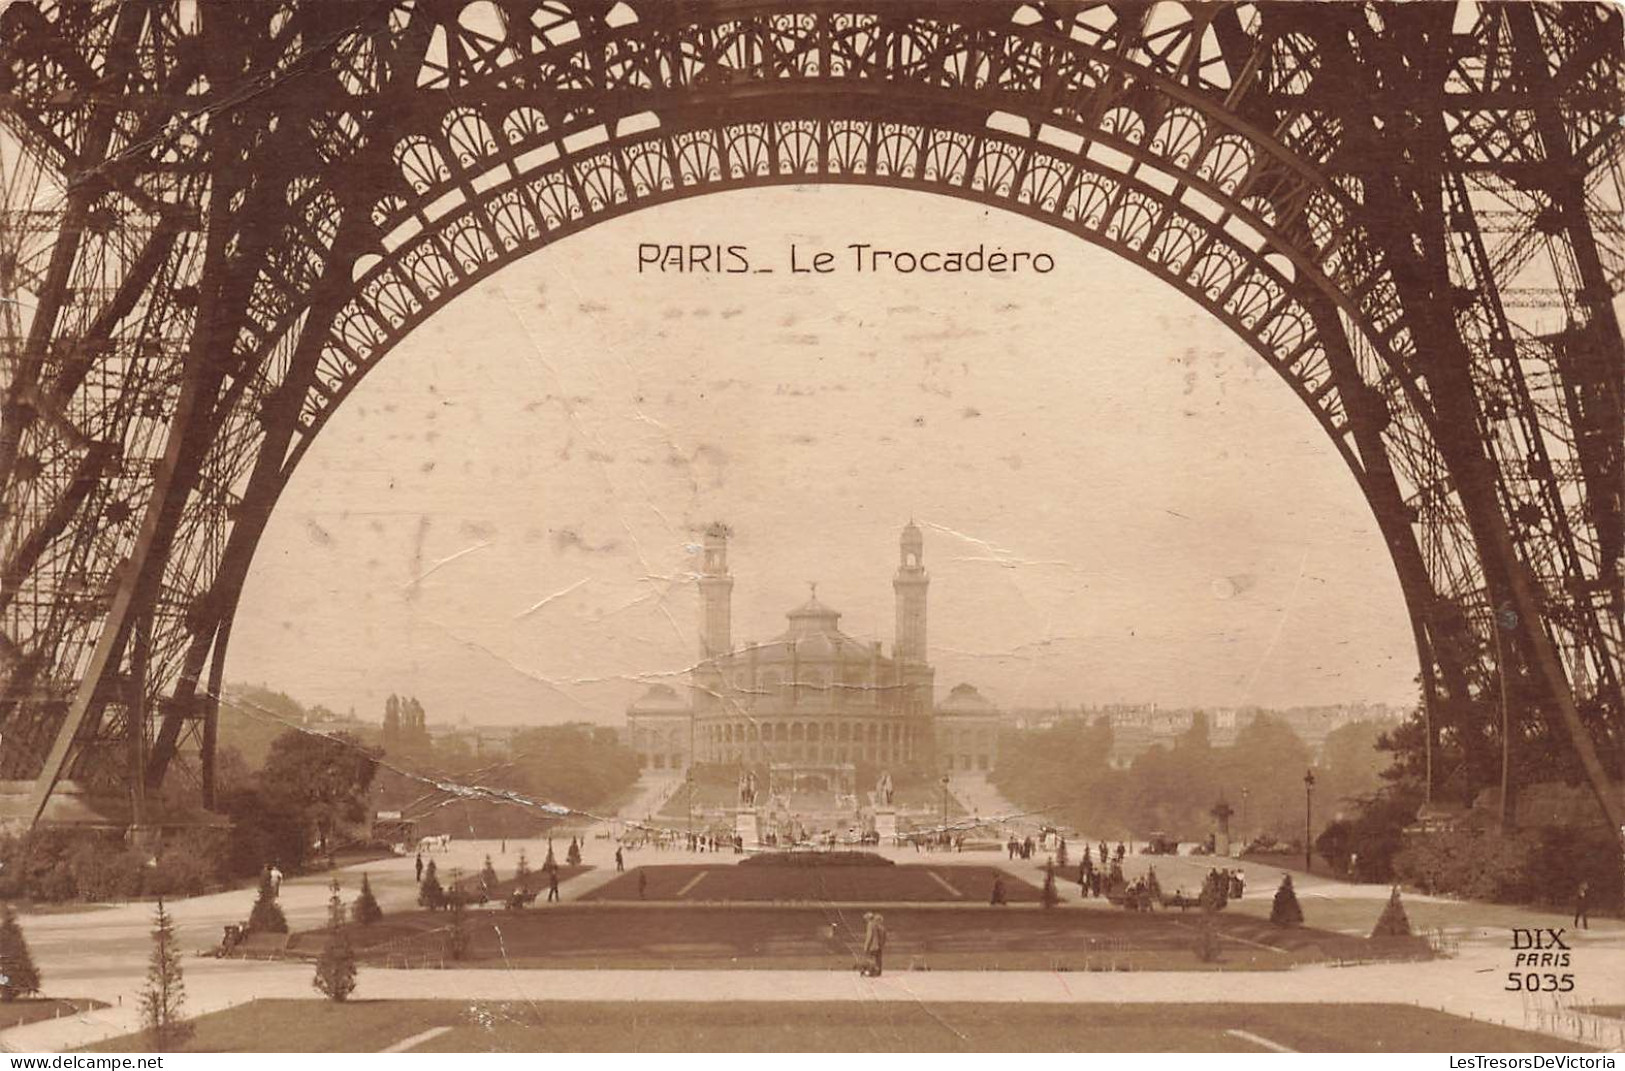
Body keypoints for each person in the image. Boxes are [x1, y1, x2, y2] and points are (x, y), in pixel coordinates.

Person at [862, 911, 887, 976]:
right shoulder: (877, 925)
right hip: (878, 945)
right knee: (878, 959)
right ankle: (877, 972)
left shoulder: (870, 924)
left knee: (871, 958)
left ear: (867, 919)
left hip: (873, 945)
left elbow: (869, 936)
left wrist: (866, 946)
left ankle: (871, 972)